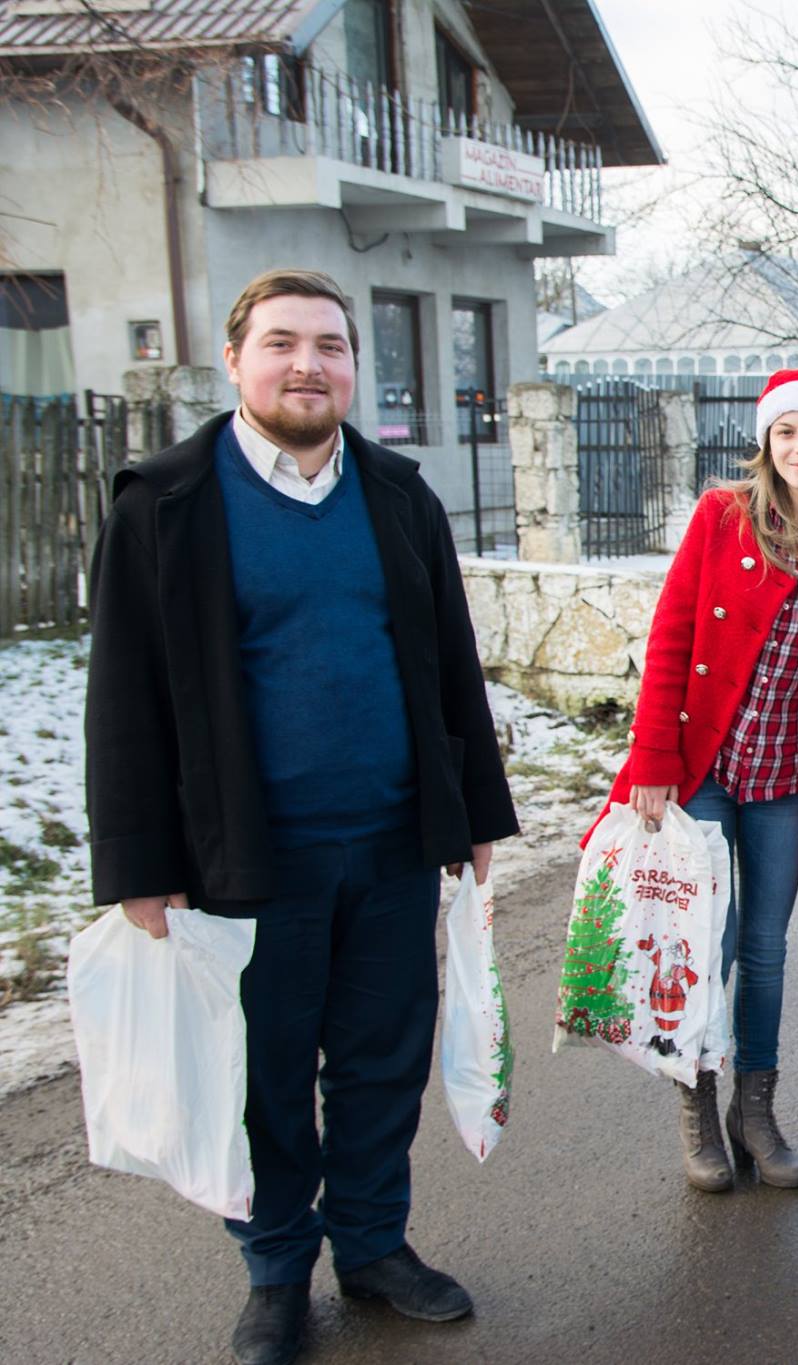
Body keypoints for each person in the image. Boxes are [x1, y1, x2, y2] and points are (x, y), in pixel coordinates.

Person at [85, 269, 517, 1365]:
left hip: (388, 842)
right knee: (264, 1076)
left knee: (380, 1061)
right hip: (246, 857)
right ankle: (276, 1269)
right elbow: (122, 695)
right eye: (281, 343)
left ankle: (372, 1247)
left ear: (351, 370)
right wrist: (140, 864)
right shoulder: (168, 503)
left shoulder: (396, 494)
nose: (307, 364)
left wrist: (472, 812)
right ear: (235, 361)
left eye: (329, 346)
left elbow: (448, 667)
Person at [603, 367, 798, 1190]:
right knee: (706, 943)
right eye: (786, 432)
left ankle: (756, 1110)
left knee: (766, 950)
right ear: (767, 443)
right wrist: (655, 760)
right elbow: (670, 640)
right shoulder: (722, 519)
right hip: (702, 769)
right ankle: (698, 1103)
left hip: (788, 777)